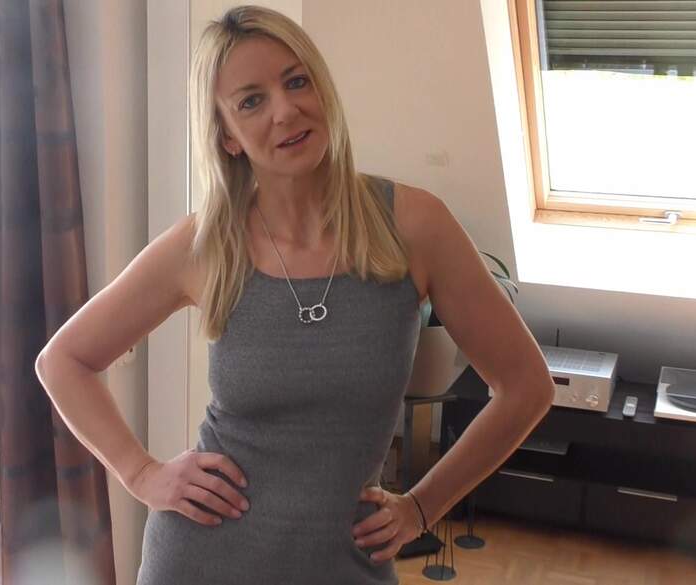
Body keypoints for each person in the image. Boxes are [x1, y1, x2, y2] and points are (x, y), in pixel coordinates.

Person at [35, 5, 554, 585]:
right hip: (199, 562)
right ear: (226, 135)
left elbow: (526, 387)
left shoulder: (415, 227)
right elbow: (63, 360)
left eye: (297, 81)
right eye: (251, 101)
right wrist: (140, 474)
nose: (285, 111)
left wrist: (422, 506)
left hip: (346, 566)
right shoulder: (205, 245)